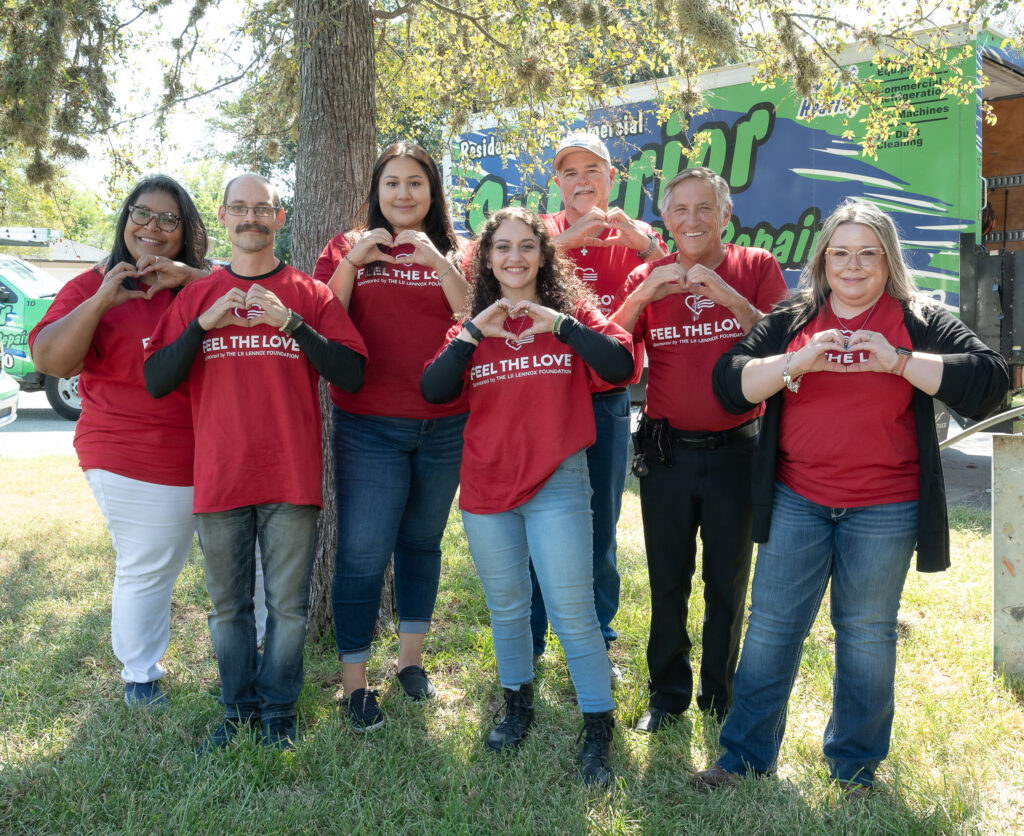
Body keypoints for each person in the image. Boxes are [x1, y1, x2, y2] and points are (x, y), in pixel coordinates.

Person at [692, 200, 1008, 794]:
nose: (853, 265)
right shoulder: (795, 315)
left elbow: (988, 380)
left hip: (885, 506)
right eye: (841, 253)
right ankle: (742, 759)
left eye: (868, 253)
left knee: (865, 633)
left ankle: (856, 767)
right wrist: (798, 360)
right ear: (823, 260)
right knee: (771, 629)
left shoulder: (918, 317)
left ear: (888, 261)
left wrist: (899, 361)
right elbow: (729, 385)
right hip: (797, 497)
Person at [144, 173, 367, 750]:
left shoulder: (308, 294)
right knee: (227, 609)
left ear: (280, 217)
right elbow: (156, 379)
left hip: (290, 475)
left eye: (261, 209)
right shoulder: (197, 296)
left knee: (287, 609)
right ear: (222, 218)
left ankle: (278, 712)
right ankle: (237, 708)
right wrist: (203, 325)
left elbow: (352, 372)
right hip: (220, 475)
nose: (251, 219)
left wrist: (289, 323)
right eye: (239, 209)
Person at [420, 207, 634, 786]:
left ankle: (597, 726)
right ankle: (517, 705)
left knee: (572, 613)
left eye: (526, 247)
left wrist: (559, 325)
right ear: (486, 260)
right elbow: (434, 390)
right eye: (502, 248)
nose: (514, 258)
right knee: (508, 608)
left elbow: (622, 364)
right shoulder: (472, 325)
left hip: (557, 482)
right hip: (488, 485)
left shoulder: (574, 315)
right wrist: (471, 334)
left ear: (544, 255)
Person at [611, 167, 789, 730]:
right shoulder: (648, 275)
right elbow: (612, 352)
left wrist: (732, 300)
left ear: (725, 216)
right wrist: (641, 293)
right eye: (680, 209)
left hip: (739, 451)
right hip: (666, 454)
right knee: (667, 577)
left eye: (704, 208)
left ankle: (719, 695)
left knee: (727, 579)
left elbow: (788, 348)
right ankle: (666, 694)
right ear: (665, 218)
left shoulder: (755, 268)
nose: (692, 220)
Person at [29, 175, 212, 709]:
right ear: (125, 218)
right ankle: (140, 675)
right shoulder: (90, 284)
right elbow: (50, 360)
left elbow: (248, 298)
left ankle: (252, 654)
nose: (152, 227)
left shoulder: (197, 282)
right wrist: (103, 300)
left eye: (168, 219)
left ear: (185, 232)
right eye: (142, 214)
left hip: (212, 447)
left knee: (245, 558)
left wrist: (191, 277)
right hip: (128, 448)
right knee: (151, 558)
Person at [312, 142, 471, 731]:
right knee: (361, 553)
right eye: (391, 184)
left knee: (421, 544)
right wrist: (354, 260)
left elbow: (476, 318)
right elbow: (324, 319)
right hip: (369, 423)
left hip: (446, 421)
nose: (403, 194)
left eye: (415, 184)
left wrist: (441, 262)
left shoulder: (461, 250)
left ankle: (410, 662)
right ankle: (355, 682)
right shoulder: (347, 246)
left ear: (433, 193)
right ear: (376, 192)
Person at [530, 132, 667, 673]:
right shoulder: (539, 233)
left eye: (593, 170)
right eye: (570, 171)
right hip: (544, 398)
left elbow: (677, 284)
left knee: (600, 524)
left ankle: (597, 640)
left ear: (612, 178)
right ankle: (534, 643)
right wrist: (563, 244)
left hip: (607, 400)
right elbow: (500, 279)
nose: (581, 180)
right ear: (557, 182)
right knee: (538, 521)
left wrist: (647, 248)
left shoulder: (636, 236)